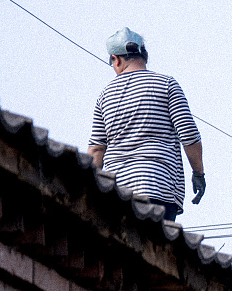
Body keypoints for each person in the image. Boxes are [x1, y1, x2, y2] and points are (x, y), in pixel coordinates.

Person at [88, 28, 205, 221]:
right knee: (155, 247)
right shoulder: (166, 84)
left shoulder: (105, 95)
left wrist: (92, 192)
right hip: (158, 186)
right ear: (146, 55)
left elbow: (96, 150)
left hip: (117, 192)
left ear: (116, 60)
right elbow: (189, 134)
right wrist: (198, 173)